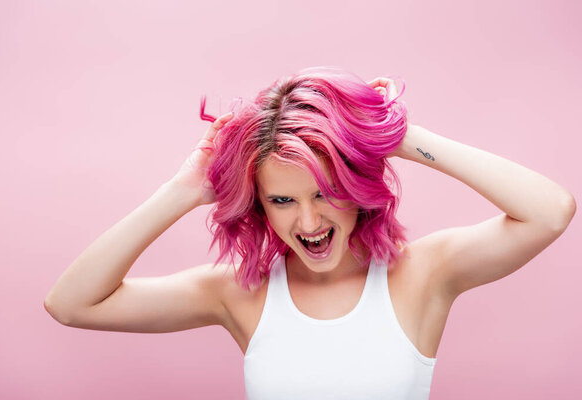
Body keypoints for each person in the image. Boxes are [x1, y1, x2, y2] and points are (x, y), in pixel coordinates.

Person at [44, 67, 576, 399]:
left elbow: (550, 211)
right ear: (260, 207)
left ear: (355, 186)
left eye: (324, 192)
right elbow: (72, 304)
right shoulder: (237, 294)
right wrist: (183, 189)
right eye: (282, 200)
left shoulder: (424, 274)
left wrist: (395, 134)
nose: (308, 222)